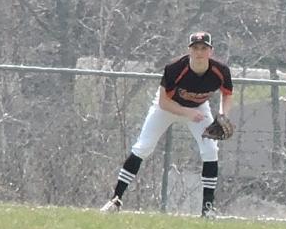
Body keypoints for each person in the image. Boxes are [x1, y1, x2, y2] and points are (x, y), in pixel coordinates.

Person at [101, 30, 235, 217]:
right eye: (195, 48)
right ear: (189, 50)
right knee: (143, 147)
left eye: (203, 48)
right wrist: (188, 112)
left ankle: (207, 209)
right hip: (167, 108)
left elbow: (227, 94)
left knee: (210, 150)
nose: (199, 52)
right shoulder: (175, 68)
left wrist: (222, 115)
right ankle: (115, 200)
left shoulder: (220, 71)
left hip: (198, 108)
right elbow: (164, 102)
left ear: (210, 51)